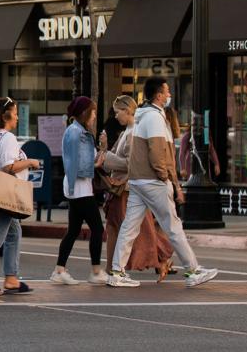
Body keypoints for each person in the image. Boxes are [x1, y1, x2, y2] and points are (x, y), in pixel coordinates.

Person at [108, 77, 219, 288]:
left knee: (129, 227)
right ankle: (192, 270)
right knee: (173, 225)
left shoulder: (144, 116)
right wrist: (167, 179)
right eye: (167, 92)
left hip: (139, 181)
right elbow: (159, 153)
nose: (169, 95)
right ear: (158, 95)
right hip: (153, 181)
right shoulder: (154, 118)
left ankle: (116, 271)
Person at [99, 95, 175, 282]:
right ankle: (112, 268)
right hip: (121, 188)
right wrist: (105, 150)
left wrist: (106, 155)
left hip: (127, 189)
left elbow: (130, 162)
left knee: (135, 231)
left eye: (118, 112)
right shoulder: (127, 131)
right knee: (121, 228)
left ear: (128, 110)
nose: (116, 116)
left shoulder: (133, 133)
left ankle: (160, 258)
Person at [0, 96, 39, 296]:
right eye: (15, 113)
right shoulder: (8, 138)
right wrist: (31, 162)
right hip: (5, 194)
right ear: (6, 116)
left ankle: (11, 278)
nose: (18, 118)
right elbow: (8, 166)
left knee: (13, 232)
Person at [50, 96, 107, 286]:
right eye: (92, 112)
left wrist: (102, 150)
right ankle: (96, 271)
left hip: (80, 186)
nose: (94, 116)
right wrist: (95, 164)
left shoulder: (80, 131)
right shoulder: (75, 132)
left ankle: (59, 269)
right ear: (84, 113)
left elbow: (85, 160)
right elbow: (73, 161)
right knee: (97, 228)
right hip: (80, 187)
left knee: (73, 230)